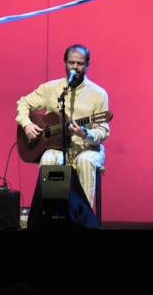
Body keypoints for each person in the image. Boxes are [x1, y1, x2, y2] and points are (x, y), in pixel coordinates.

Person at [16, 44, 110, 208]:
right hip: (57, 147)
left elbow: (103, 130)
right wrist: (27, 124)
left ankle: (83, 217)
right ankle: (51, 215)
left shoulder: (98, 94)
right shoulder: (52, 88)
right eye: (71, 62)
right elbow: (24, 102)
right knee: (48, 158)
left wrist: (85, 133)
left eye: (80, 64)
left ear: (87, 65)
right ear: (65, 63)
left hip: (87, 148)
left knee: (85, 161)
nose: (75, 67)